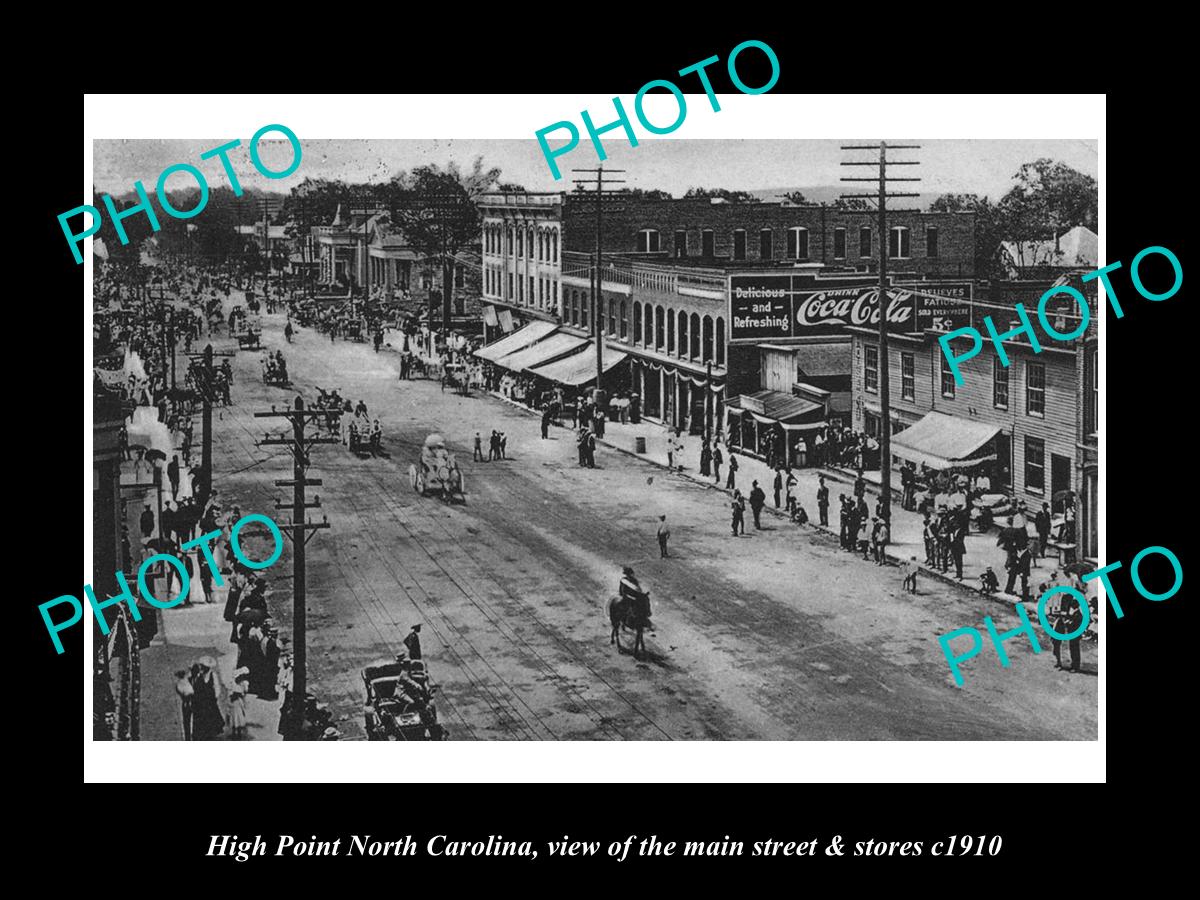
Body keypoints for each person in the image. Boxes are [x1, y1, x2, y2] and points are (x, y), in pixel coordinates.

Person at [1047, 588, 1084, 673]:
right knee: (1071, 648)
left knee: (1074, 649)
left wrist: (1068, 622)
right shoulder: (1072, 611)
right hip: (1071, 633)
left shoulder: (1078, 614)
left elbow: (1075, 623)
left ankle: (1075, 666)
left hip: (1074, 634)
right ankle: (1070, 665)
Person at [174, 669, 194, 740]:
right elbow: (183, 693)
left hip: (191, 700)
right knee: (187, 720)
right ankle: (187, 737)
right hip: (186, 702)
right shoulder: (179, 684)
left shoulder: (187, 680)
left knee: (191, 720)